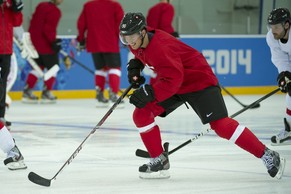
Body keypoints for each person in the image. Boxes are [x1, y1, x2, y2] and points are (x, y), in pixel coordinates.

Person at [119, 12, 286, 179]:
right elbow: (149, 58)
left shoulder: (160, 47)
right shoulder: (140, 40)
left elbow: (173, 80)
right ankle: (159, 160)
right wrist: (135, 66)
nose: (129, 42)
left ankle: (267, 154)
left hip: (198, 82)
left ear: (142, 32)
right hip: (176, 83)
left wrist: (151, 92)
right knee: (142, 113)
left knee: (221, 126)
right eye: (125, 38)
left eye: (131, 37)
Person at [76, 0, 124, 107]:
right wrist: (123, 38)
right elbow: (120, 24)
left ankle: (99, 95)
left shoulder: (88, 5)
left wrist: (81, 39)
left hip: (94, 42)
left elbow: (81, 24)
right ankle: (114, 94)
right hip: (110, 41)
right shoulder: (115, 5)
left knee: (100, 69)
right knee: (115, 68)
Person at [0, 0, 27, 170]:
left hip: (5, 49)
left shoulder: (9, 3)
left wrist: (17, 9)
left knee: (2, 87)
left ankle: (12, 151)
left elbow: (17, 22)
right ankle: (12, 151)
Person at [22, 0, 64, 104]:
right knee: (53, 68)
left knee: (38, 67)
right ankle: (46, 92)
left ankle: (27, 91)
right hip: (45, 45)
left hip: (34, 43)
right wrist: (53, 42)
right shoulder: (55, 11)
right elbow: (48, 29)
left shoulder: (41, 5)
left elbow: (33, 23)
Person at [266, 8, 291, 145]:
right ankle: (290, 129)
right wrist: (284, 75)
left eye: (276, 26)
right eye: (271, 26)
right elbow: (280, 59)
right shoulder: (271, 37)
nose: (272, 30)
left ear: (286, 25)